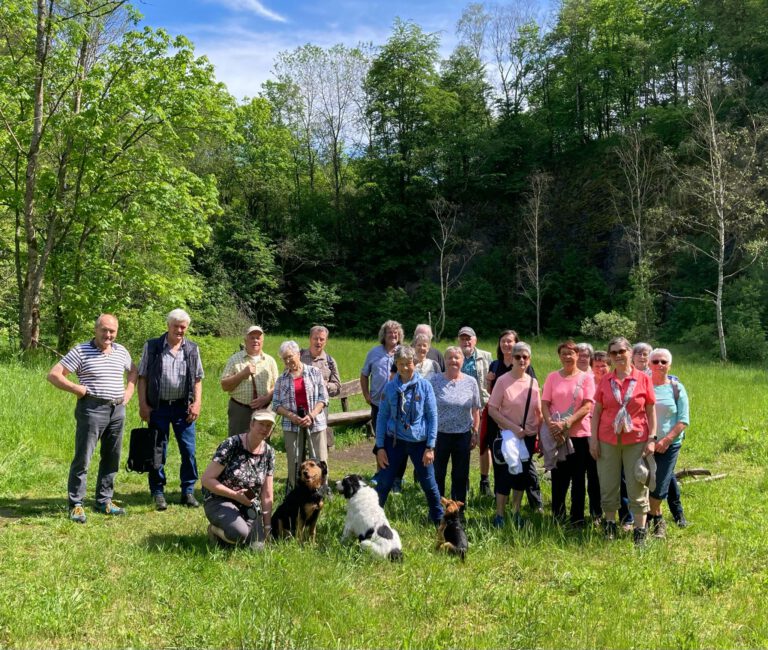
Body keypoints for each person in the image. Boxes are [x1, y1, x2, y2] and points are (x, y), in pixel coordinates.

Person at [47, 314, 137, 522]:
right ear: (96, 330)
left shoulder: (121, 351)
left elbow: (134, 371)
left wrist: (129, 391)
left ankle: (104, 501)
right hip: (92, 408)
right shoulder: (81, 350)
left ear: (116, 332)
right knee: (83, 457)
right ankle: (76, 504)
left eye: (112, 331)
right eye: (104, 330)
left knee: (111, 456)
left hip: (117, 409)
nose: (108, 335)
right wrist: (76, 388)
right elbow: (54, 374)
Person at [590, 336, 657, 546]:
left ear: (630, 352)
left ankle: (639, 530)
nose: (618, 356)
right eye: (614, 353)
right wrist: (593, 440)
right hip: (608, 439)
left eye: (622, 351)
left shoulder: (643, 379)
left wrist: (652, 438)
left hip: (636, 439)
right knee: (608, 483)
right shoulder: (605, 380)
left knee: (637, 482)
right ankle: (610, 524)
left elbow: (650, 410)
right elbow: (597, 411)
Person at [137, 309, 204, 511]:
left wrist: (197, 403)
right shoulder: (153, 347)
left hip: (183, 408)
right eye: (176, 326)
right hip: (158, 407)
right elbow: (142, 378)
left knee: (189, 451)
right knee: (157, 450)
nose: (180, 330)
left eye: (183, 327)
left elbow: (198, 379)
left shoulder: (192, 349)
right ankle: (158, 492)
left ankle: (188, 491)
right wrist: (143, 404)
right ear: (168, 326)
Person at [375, 345, 444, 524]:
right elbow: (382, 418)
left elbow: (432, 416)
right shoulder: (390, 388)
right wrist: (380, 447)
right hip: (394, 441)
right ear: (396, 364)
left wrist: (430, 446)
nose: (405, 367)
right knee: (384, 483)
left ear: (415, 363)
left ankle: (439, 520)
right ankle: (372, 520)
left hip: (419, 443)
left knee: (429, 484)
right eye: (401, 364)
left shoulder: (425, 386)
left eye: (409, 363)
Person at [541, 340, 598, 526]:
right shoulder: (552, 377)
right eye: (563, 353)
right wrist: (552, 426)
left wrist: (567, 423)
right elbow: (545, 404)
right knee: (558, 478)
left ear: (577, 356)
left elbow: (588, 405)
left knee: (579, 478)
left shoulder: (587, 378)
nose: (567, 356)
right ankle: (557, 516)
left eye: (571, 353)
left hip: (579, 435)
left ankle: (577, 518)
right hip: (557, 436)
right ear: (559, 356)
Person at [485, 330, 543, 510]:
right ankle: (500, 514)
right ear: (513, 358)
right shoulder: (502, 381)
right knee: (504, 475)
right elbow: (492, 410)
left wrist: (539, 436)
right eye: (517, 356)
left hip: (528, 436)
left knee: (521, 476)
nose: (521, 360)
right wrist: (513, 428)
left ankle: (516, 511)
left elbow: (539, 412)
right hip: (507, 435)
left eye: (525, 357)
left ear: (529, 360)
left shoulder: (533, 383)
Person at [202, 409, 275, 548]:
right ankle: (214, 530)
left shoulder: (269, 453)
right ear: (252, 424)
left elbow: (267, 494)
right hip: (220, 499)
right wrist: (235, 495)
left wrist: (267, 527)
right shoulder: (232, 444)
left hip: (248, 503)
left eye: (269, 426)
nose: (265, 428)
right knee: (239, 533)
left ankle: (242, 531)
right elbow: (207, 479)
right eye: (261, 424)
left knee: (257, 548)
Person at [272, 340, 329, 490]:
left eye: (290, 356)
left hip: (315, 421)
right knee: (294, 460)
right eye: (284, 358)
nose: (288, 361)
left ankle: (322, 489)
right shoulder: (281, 379)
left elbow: (324, 398)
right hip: (292, 424)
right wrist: (291, 416)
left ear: (298, 354)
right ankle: (294, 490)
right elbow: (276, 404)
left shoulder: (314, 372)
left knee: (319, 458)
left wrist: (311, 415)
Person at [430, 346, 481, 514]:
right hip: (440, 435)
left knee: (460, 475)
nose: (453, 361)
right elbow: (428, 408)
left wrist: (475, 432)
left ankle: (457, 510)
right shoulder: (435, 380)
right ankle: (437, 510)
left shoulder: (470, 381)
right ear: (445, 361)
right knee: (438, 474)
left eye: (457, 358)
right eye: (450, 358)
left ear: (462, 361)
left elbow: (476, 409)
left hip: (463, 435)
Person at [647, 348, 690, 538]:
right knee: (645, 482)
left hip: (669, 444)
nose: (659, 365)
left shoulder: (676, 388)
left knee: (659, 486)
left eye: (664, 362)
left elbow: (683, 420)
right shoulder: (643, 386)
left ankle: (655, 519)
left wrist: (666, 440)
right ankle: (657, 519)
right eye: (655, 361)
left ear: (669, 365)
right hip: (645, 444)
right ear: (649, 364)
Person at [361, 320, 404, 490]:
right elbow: (364, 374)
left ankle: (397, 478)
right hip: (378, 404)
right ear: (383, 336)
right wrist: (366, 394)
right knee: (381, 439)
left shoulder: (403, 352)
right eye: (389, 333)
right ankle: (380, 472)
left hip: (399, 406)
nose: (393, 336)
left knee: (398, 439)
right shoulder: (374, 353)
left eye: (396, 333)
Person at [221, 325, 279, 439]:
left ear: (262, 341)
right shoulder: (235, 359)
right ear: (245, 340)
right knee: (237, 443)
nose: (255, 341)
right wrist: (242, 375)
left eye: (258, 338)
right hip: (240, 410)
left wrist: (266, 398)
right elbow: (224, 385)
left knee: (262, 444)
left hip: (264, 409)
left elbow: (277, 386)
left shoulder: (270, 361)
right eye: (252, 337)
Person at [458, 326, 494, 496]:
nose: (466, 341)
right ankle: (462, 481)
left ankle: (484, 481)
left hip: (483, 406)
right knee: (462, 446)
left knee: (484, 445)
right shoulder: (454, 356)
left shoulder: (486, 356)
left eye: (469, 338)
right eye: (463, 338)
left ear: (475, 340)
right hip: (462, 408)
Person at [300, 325, 341, 448]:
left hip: (321, 407)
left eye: (322, 339)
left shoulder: (329, 361)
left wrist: (325, 386)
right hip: (300, 405)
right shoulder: (299, 357)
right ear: (310, 339)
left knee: (319, 444)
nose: (318, 342)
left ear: (326, 341)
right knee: (300, 442)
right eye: (315, 338)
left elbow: (338, 386)